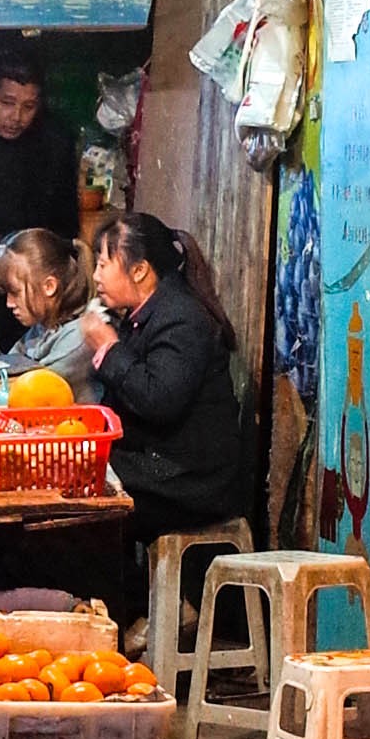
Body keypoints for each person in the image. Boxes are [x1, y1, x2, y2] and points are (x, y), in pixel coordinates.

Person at [83, 208, 248, 535]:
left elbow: (159, 401)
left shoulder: (181, 318)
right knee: (78, 467)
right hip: (162, 465)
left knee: (84, 489)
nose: (96, 276)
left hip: (191, 482)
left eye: (103, 265)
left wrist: (110, 348)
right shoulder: (143, 314)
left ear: (140, 270)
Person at [0, 37, 80, 253]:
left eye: (29, 106)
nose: (17, 117)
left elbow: (66, 224)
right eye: (7, 103)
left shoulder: (55, 141)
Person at [0, 226, 96, 381]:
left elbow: (34, 385)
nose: (9, 303)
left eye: (15, 293)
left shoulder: (79, 338)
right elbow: (10, 366)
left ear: (49, 286)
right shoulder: (41, 328)